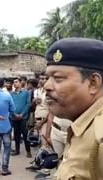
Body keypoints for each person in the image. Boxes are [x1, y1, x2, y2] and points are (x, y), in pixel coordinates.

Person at [44, 38, 103, 179]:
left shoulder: (100, 139)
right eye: (47, 77)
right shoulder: (84, 125)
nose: (47, 85)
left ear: (93, 83)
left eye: (58, 79)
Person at [10, 77, 31, 158]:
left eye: (16, 82)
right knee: (16, 134)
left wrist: (22, 114)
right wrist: (15, 114)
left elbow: (28, 104)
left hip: (23, 117)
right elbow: (10, 105)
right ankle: (17, 150)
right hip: (14, 117)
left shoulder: (26, 93)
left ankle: (28, 151)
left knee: (25, 134)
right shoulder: (11, 94)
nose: (15, 83)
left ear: (20, 83)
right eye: (14, 82)